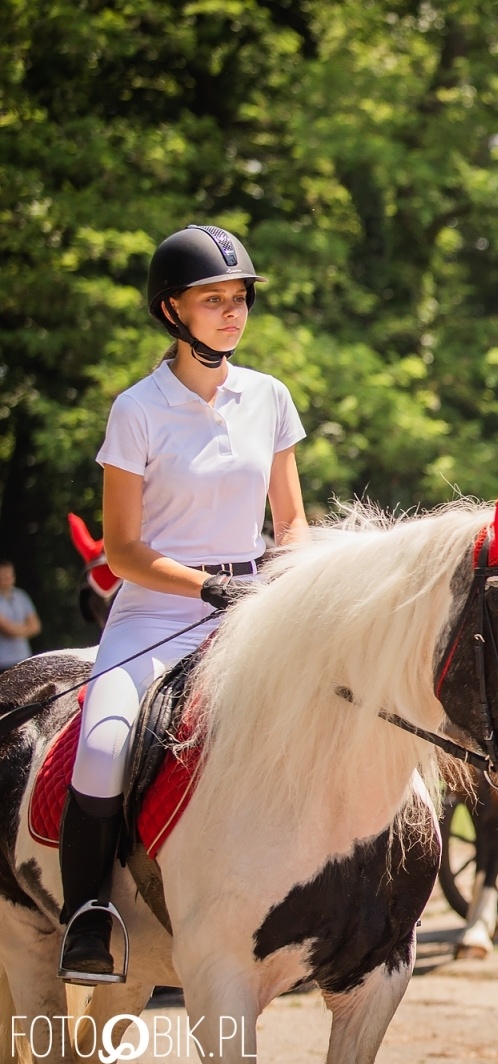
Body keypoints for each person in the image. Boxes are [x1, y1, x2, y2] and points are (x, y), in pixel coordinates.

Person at [58, 224, 309, 982]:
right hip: (156, 613)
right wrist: (205, 585)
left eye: (240, 299)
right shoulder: (137, 409)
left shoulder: (268, 396)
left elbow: (291, 520)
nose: (233, 314)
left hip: (250, 608)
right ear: (173, 310)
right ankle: (87, 918)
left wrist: (288, 580)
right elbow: (123, 549)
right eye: (214, 301)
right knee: (102, 748)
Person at [0, 559, 41, 669]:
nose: (8, 579)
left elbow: (36, 627)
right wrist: (27, 628)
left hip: (24, 659)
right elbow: (8, 630)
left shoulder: (21, 595)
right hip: (3, 662)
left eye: (10, 575)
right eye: (4, 576)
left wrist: (18, 629)